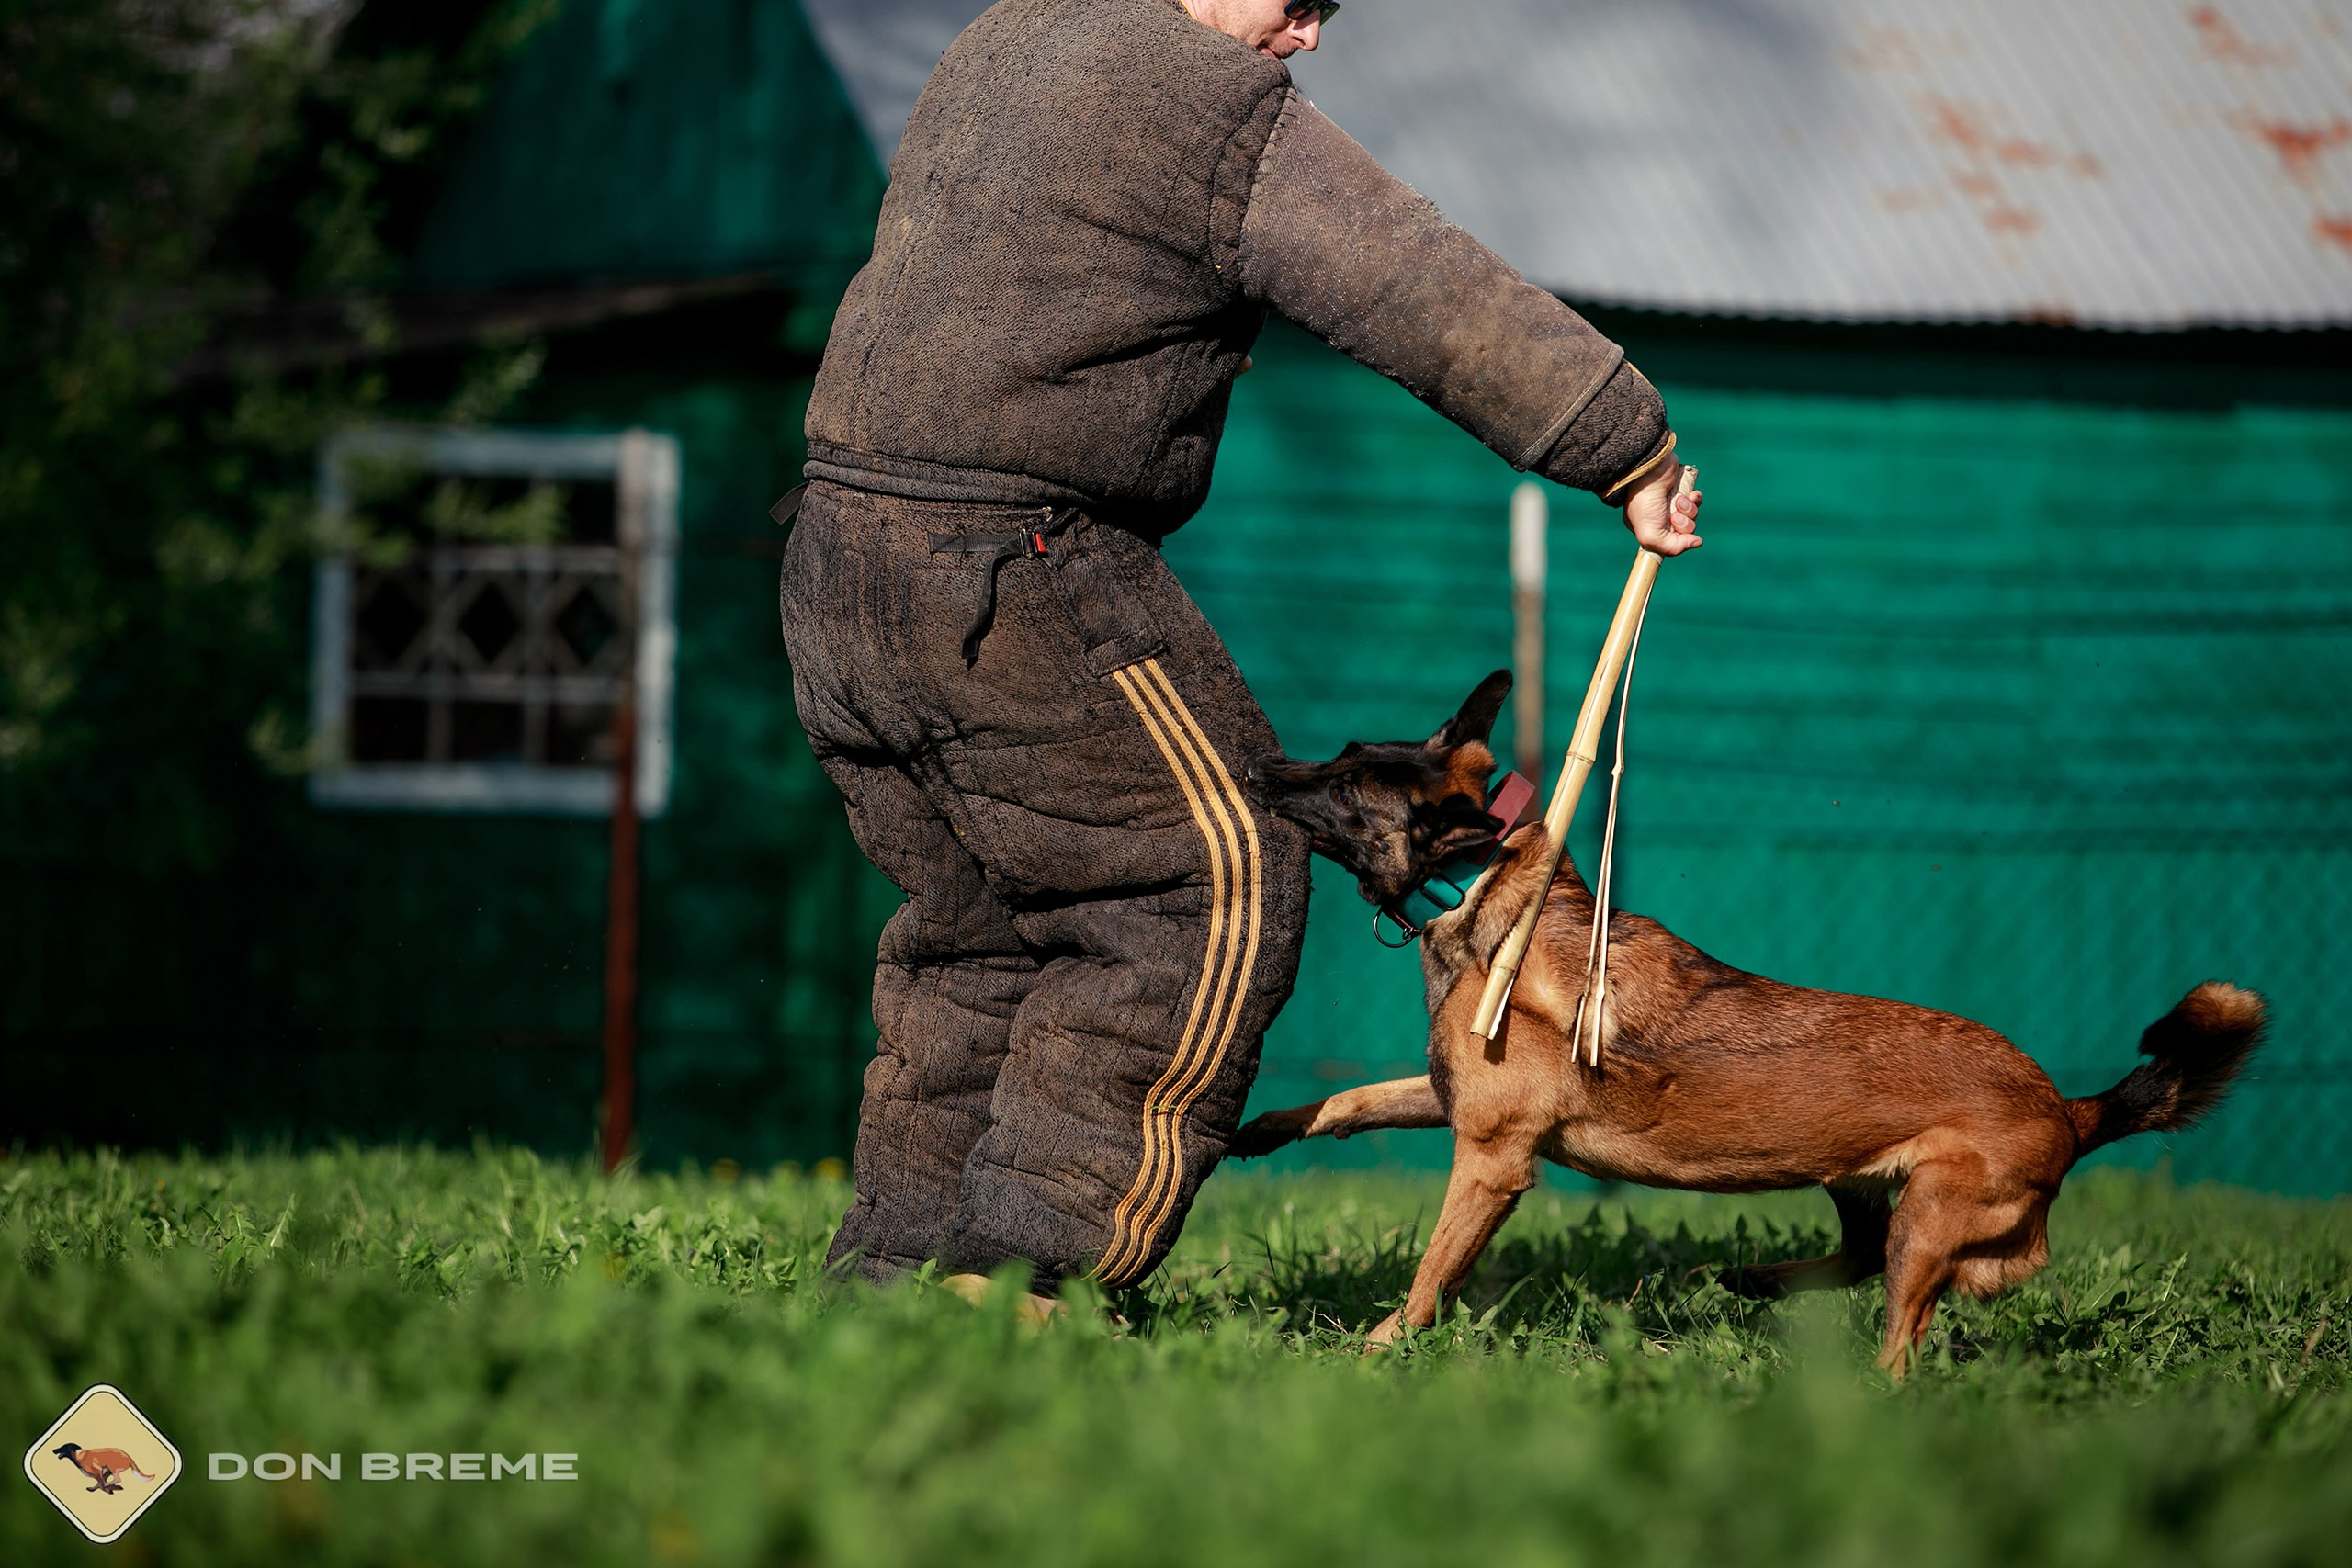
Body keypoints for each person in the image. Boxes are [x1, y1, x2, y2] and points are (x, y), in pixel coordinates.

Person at [778, 0, 1703, 1300]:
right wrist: (1625, 443)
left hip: (834, 552)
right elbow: (1409, 280)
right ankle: (1032, 1279)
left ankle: (893, 1278)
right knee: (1213, 877)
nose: (1313, 34)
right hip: (1016, 561)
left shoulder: (1001, 38)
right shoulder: (1198, 101)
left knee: (980, 931)